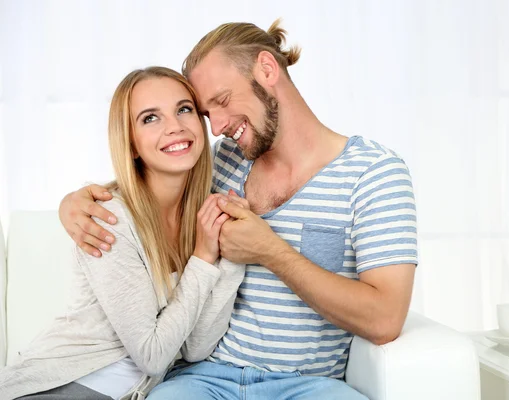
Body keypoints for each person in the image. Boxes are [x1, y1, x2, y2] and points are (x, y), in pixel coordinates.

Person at [59, 20, 418, 399]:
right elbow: (148, 185)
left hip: (309, 385)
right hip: (202, 378)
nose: (217, 127)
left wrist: (270, 250)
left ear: (266, 69)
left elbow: (384, 320)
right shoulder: (224, 161)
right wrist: (74, 201)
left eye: (223, 101)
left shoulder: (373, 173)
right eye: (205, 112)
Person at [0, 67, 245, 400]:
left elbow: (196, 348)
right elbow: (153, 356)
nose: (175, 126)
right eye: (150, 118)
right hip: (61, 388)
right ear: (131, 144)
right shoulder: (109, 217)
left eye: (184, 109)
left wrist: (232, 255)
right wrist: (203, 259)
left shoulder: (200, 220)